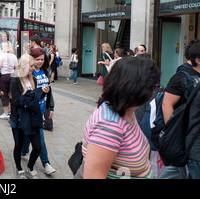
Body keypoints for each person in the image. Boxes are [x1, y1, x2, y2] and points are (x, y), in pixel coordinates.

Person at [78, 56, 160, 179]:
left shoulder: (125, 108)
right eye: (153, 86)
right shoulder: (109, 126)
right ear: (137, 89)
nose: (156, 90)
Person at [161, 42, 200, 179]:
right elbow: (167, 104)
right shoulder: (182, 77)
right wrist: (174, 134)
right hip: (187, 139)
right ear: (198, 60)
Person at [10, 54, 49, 179]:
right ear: (23, 66)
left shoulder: (34, 79)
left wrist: (42, 93)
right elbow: (16, 101)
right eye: (31, 65)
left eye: (33, 65)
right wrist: (32, 95)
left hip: (32, 118)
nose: (33, 68)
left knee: (37, 146)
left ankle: (30, 167)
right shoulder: (15, 80)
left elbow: (35, 100)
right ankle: (19, 168)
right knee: (19, 145)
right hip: (19, 119)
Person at [22, 48, 56, 175]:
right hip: (31, 111)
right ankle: (46, 163)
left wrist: (50, 108)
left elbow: (49, 91)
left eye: (42, 59)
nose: (40, 62)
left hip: (41, 109)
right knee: (40, 138)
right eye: (37, 59)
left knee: (28, 134)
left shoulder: (45, 71)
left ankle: (23, 151)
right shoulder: (29, 72)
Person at [0, 42, 18, 119]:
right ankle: (10, 111)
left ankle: (6, 112)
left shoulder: (2, 55)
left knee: (4, 94)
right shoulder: (14, 56)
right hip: (12, 75)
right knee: (10, 94)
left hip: (4, 76)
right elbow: (16, 68)